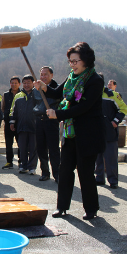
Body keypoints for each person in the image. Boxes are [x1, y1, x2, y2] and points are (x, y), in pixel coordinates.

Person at [34, 42, 105, 220]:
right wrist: (44, 87)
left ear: (86, 61)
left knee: (85, 172)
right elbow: (57, 93)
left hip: (87, 135)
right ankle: (62, 207)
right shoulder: (72, 77)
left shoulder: (95, 81)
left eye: (76, 61)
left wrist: (57, 114)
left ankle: (91, 209)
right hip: (70, 133)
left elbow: (83, 108)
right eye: (70, 61)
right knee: (65, 170)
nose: (72, 64)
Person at [95, 73, 127, 189]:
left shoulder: (112, 95)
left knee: (111, 158)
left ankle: (113, 180)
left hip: (109, 131)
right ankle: (99, 178)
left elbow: (124, 109)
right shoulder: (89, 95)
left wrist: (115, 121)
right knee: (97, 157)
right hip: (95, 132)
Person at [33, 66, 61, 182]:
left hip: (52, 121)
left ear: (51, 75)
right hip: (39, 121)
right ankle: (45, 172)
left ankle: (57, 174)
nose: (43, 77)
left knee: (54, 149)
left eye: (46, 74)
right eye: (42, 75)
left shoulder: (57, 88)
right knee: (41, 148)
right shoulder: (36, 89)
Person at [9, 75, 41, 175]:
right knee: (22, 148)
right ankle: (23, 165)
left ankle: (32, 167)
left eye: (29, 83)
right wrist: (12, 122)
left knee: (33, 148)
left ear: (33, 83)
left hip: (34, 126)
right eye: (25, 83)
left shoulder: (37, 95)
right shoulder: (18, 96)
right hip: (21, 126)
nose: (27, 85)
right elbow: (14, 111)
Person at [1, 76, 21, 170]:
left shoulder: (22, 94)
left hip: (20, 122)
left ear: (19, 84)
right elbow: (3, 107)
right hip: (8, 123)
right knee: (8, 143)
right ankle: (9, 162)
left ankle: (22, 161)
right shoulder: (5, 95)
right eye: (12, 83)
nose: (14, 85)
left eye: (15, 83)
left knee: (21, 143)